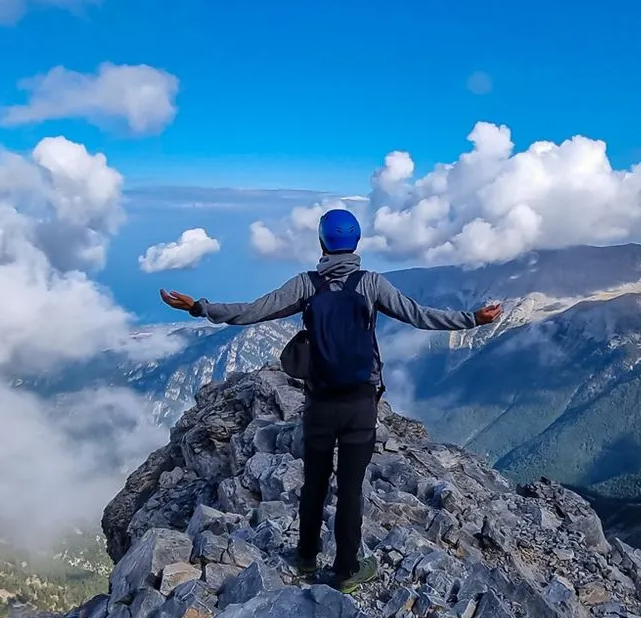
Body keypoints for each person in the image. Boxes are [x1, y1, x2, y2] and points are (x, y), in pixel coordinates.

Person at [159, 208, 502, 593]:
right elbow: (419, 316)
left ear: (322, 242)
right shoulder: (372, 284)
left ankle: (306, 557)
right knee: (351, 489)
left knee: (315, 483)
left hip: (320, 402)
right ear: (355, 243)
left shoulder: (306, 284)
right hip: (361, 404)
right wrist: (472, 319)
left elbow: (253, 311)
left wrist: (199, 307)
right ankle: (345, 571)